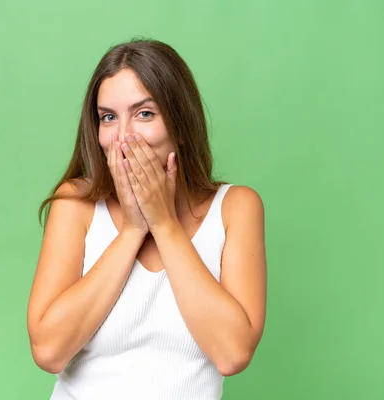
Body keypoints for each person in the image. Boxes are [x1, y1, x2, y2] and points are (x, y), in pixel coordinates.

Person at [26, 39, 267, 400]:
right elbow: (48, 351)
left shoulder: (236, 207)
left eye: (144, 114)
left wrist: (164, 223)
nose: (123, 137)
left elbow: (232, 354)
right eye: (108, 117)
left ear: (181, 126)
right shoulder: (76, 203)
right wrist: (132, 230)